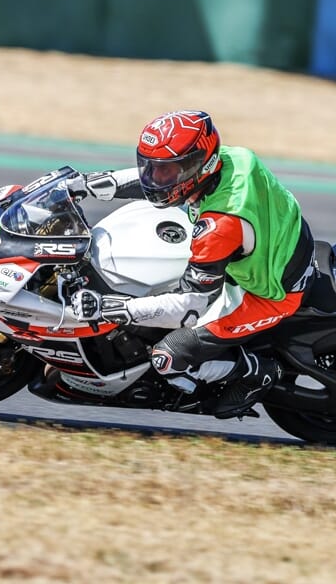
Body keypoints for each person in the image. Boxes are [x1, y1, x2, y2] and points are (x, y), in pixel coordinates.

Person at [69, 110, 314, 419]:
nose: (155, 179)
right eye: (151, 167)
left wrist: (115, 308)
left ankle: (256, 371)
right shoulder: (234, 158)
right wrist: (89, 184)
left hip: (268, 294)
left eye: (167, 172)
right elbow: (155, 182)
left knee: (167, 357)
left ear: (201, 164)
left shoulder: (218, 227)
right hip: (282, 237)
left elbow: (190, 305)